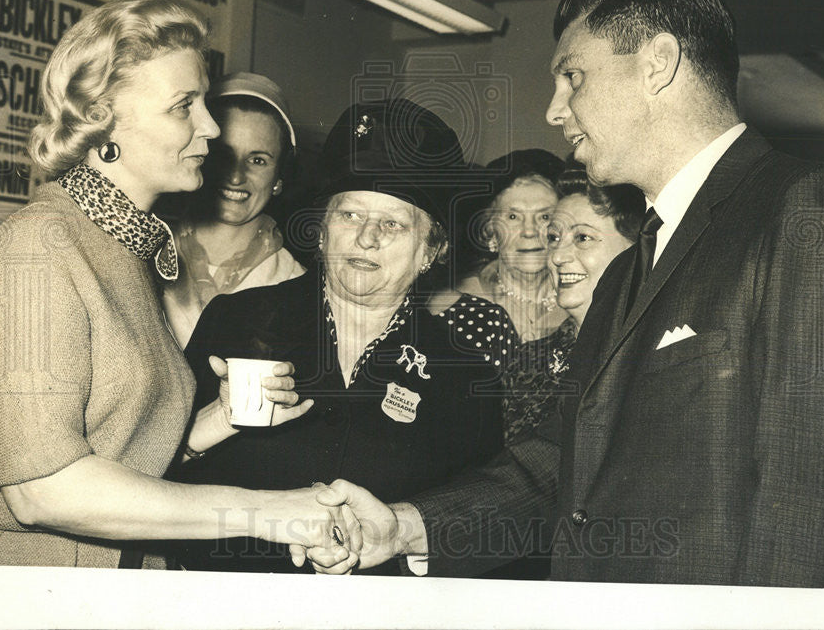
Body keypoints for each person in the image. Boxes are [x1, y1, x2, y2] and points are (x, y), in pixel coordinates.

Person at [304, 0, 824, 588]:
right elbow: (559, 461)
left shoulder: (812, 211)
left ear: (657, 64)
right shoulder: (630, 269)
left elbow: (822, 504)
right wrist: (406, 526)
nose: (555, 110)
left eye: (572, 77)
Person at [0, 0, 352, 568]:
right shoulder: (38, 247)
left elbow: (109, 453)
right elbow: (41, 490)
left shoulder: (123, 247)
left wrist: (211, 422)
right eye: (184, 106)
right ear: (102, 116)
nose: (211, 127)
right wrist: (266, 512)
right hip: (23, 580)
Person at [170, 98, 514, 574]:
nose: (366, 238)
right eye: (349, 215)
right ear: (321, 231)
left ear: (431, 250)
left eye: (393, 223)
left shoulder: (462, 372)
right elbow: (147, 473)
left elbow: (475, 521)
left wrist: (400, 547)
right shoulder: (237, 322)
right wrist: (211, 421)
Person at [502, 165, 645, 444]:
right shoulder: (527, 359)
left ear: (635, 249)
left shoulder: (644, 357)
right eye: (554, 238)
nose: (557, 256)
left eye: (582, 238)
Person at [162, 71, 304, 346]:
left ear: (280, 177)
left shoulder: (295, 285)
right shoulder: (147, 255)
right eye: (223, 155)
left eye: (258, 160)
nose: (236, 176)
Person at [452, 149, 567, 343]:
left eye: (544, 217)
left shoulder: (587, 299)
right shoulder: (456, 304)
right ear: (490, 231)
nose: (529, 231)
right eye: (513, 217)